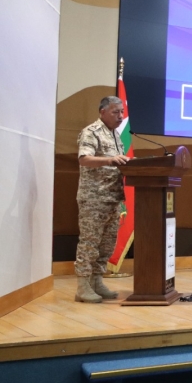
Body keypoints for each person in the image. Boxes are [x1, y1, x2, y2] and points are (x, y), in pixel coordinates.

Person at [74, 96, 130, 303]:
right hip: (94, 198)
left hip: (113, 197)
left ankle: (97, 282)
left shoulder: (115, 135)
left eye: (122, 112)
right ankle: (82, 287)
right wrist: (110, 159)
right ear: (102, 112)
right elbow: (84, 159)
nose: (120, 116)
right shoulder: (91, 132)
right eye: (116, 112)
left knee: (106, 245)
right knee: (89, 243)